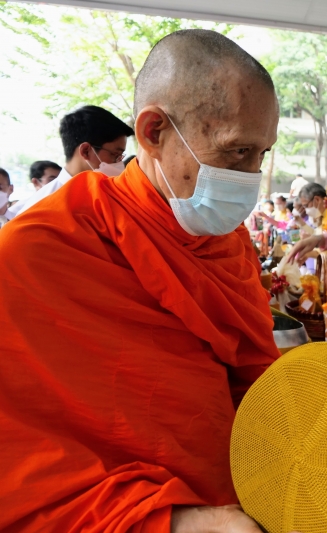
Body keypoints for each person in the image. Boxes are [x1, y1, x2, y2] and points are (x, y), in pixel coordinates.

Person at [0, 29, 282, 532]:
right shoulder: (36, 254)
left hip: (240, 499)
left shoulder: (229, 244)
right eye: (237, 152)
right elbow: (21, 464)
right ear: (153, 132)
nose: (251, 176)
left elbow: (254, 380)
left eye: (262, 154)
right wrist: (175, 523)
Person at [6, 105, 133, 220]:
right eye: (115, 155)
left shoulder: (109, 195)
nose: (118, 163)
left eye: (121, 156)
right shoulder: (39, 210)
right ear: (86, 151)